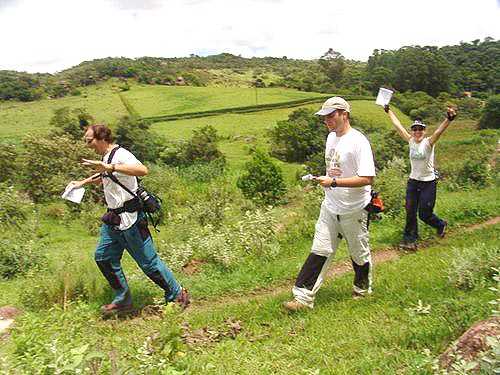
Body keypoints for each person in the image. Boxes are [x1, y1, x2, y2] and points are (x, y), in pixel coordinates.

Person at [69, 124, 189, 316]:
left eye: (88, 140)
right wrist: (81, 183)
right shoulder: (106, 157)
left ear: (101, 138)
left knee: (149, 263)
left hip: (131, 219)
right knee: (104, 258)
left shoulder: (120, 154)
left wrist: (110, 167)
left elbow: (142, 170)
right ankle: (122, 300)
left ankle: (177, 294)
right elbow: (105, 175)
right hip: (113, 219)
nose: (86, 144)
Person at [284, 97, 376, 311]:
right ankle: (302, 299)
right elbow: (334, 169)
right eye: (324, 117)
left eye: (331, 115)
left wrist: (334, 182)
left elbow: (367, 178)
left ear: (344, 114)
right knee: (320, 248)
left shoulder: (358, 142)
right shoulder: (331, 138)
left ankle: (362, 291)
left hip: (354, 209)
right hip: (330, 206)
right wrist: (324, 180)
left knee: (358, 253)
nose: (327, 120)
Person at [384, 105, 457, 250]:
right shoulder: (410, 141)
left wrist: (448, 119)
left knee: (424, 214)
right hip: (413, 181)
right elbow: (398, 126)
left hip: (428, 182)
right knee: (410, 211)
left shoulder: (429, 143)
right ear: (412, 131)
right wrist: (389, 111)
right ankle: (410, 240)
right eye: (415, 129)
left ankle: (440, 224)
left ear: (424, 131)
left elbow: (439, 131)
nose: (417, 131)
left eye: (420, 129)